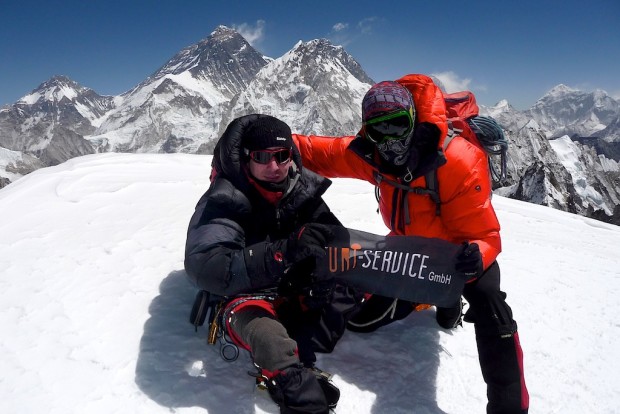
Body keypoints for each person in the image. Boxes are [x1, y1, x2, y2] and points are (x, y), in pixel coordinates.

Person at [293, 74, 529, 414]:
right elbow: (322, 152)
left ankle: (510, 408)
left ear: (413, 121)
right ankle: (433, 300)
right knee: (360, 321)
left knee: (491, 305)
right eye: (378, 130)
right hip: (409, 254)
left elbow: (485, 233)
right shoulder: (371, 155)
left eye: (397, 126)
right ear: (367, 131)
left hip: (461, 255)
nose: (388, 141)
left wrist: (477, 255)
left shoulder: (458, 160)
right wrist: (272, 140)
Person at [184, 114, 361, 413]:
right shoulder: (224, 199)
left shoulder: (301, 190)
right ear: (245, 159)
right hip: (246, 298)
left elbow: (338, 242)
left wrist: (322, 274)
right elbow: (208, 267)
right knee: (269, 339)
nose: (274, 167)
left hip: (295, 289)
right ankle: (295, 389)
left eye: (281, 156)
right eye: (262, 157)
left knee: (358, 280)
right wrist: (283, 252)